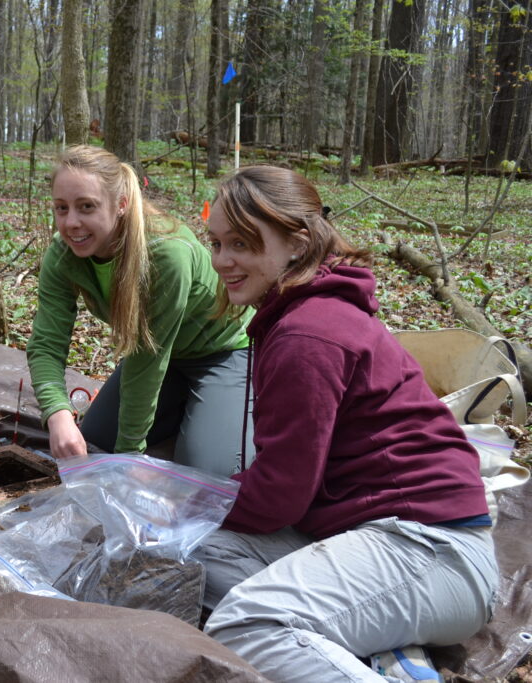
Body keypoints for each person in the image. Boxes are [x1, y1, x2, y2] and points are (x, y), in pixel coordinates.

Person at [199, 165, 498, 682]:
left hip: (432, 549)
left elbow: (281, 495)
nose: (223, 260)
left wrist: (187, 497)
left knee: (247, 627)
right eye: (217, 242)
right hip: (363, 529)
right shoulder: (298, 313)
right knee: (190, 551)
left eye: (242, 244)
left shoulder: (307, 335)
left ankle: (359, 640)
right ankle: (381, 649)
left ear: (296, 242)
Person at [26, 145, 253, 475]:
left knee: (207, 474)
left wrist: (130, 457)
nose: (72, 222)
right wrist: (57, 413)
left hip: (224, 351)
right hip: (165, 356)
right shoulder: (63, 256)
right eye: (62, 208)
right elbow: (46, 343)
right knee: (95, 441)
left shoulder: (166, 254)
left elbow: (148, 359)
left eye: (86, 207)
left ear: (121, 204)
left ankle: (225, 414)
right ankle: (187, 415)